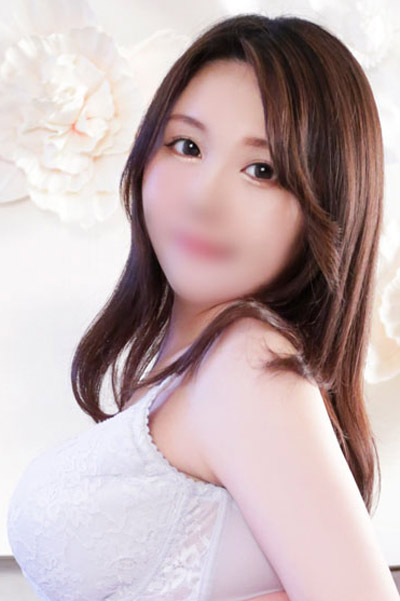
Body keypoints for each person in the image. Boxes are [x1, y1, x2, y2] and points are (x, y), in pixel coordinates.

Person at [7, 12, 400, 601]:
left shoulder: (248, 363)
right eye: (187, 146)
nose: (202, 197)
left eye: (262, 171)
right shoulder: (188, 372)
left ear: (328, 205)